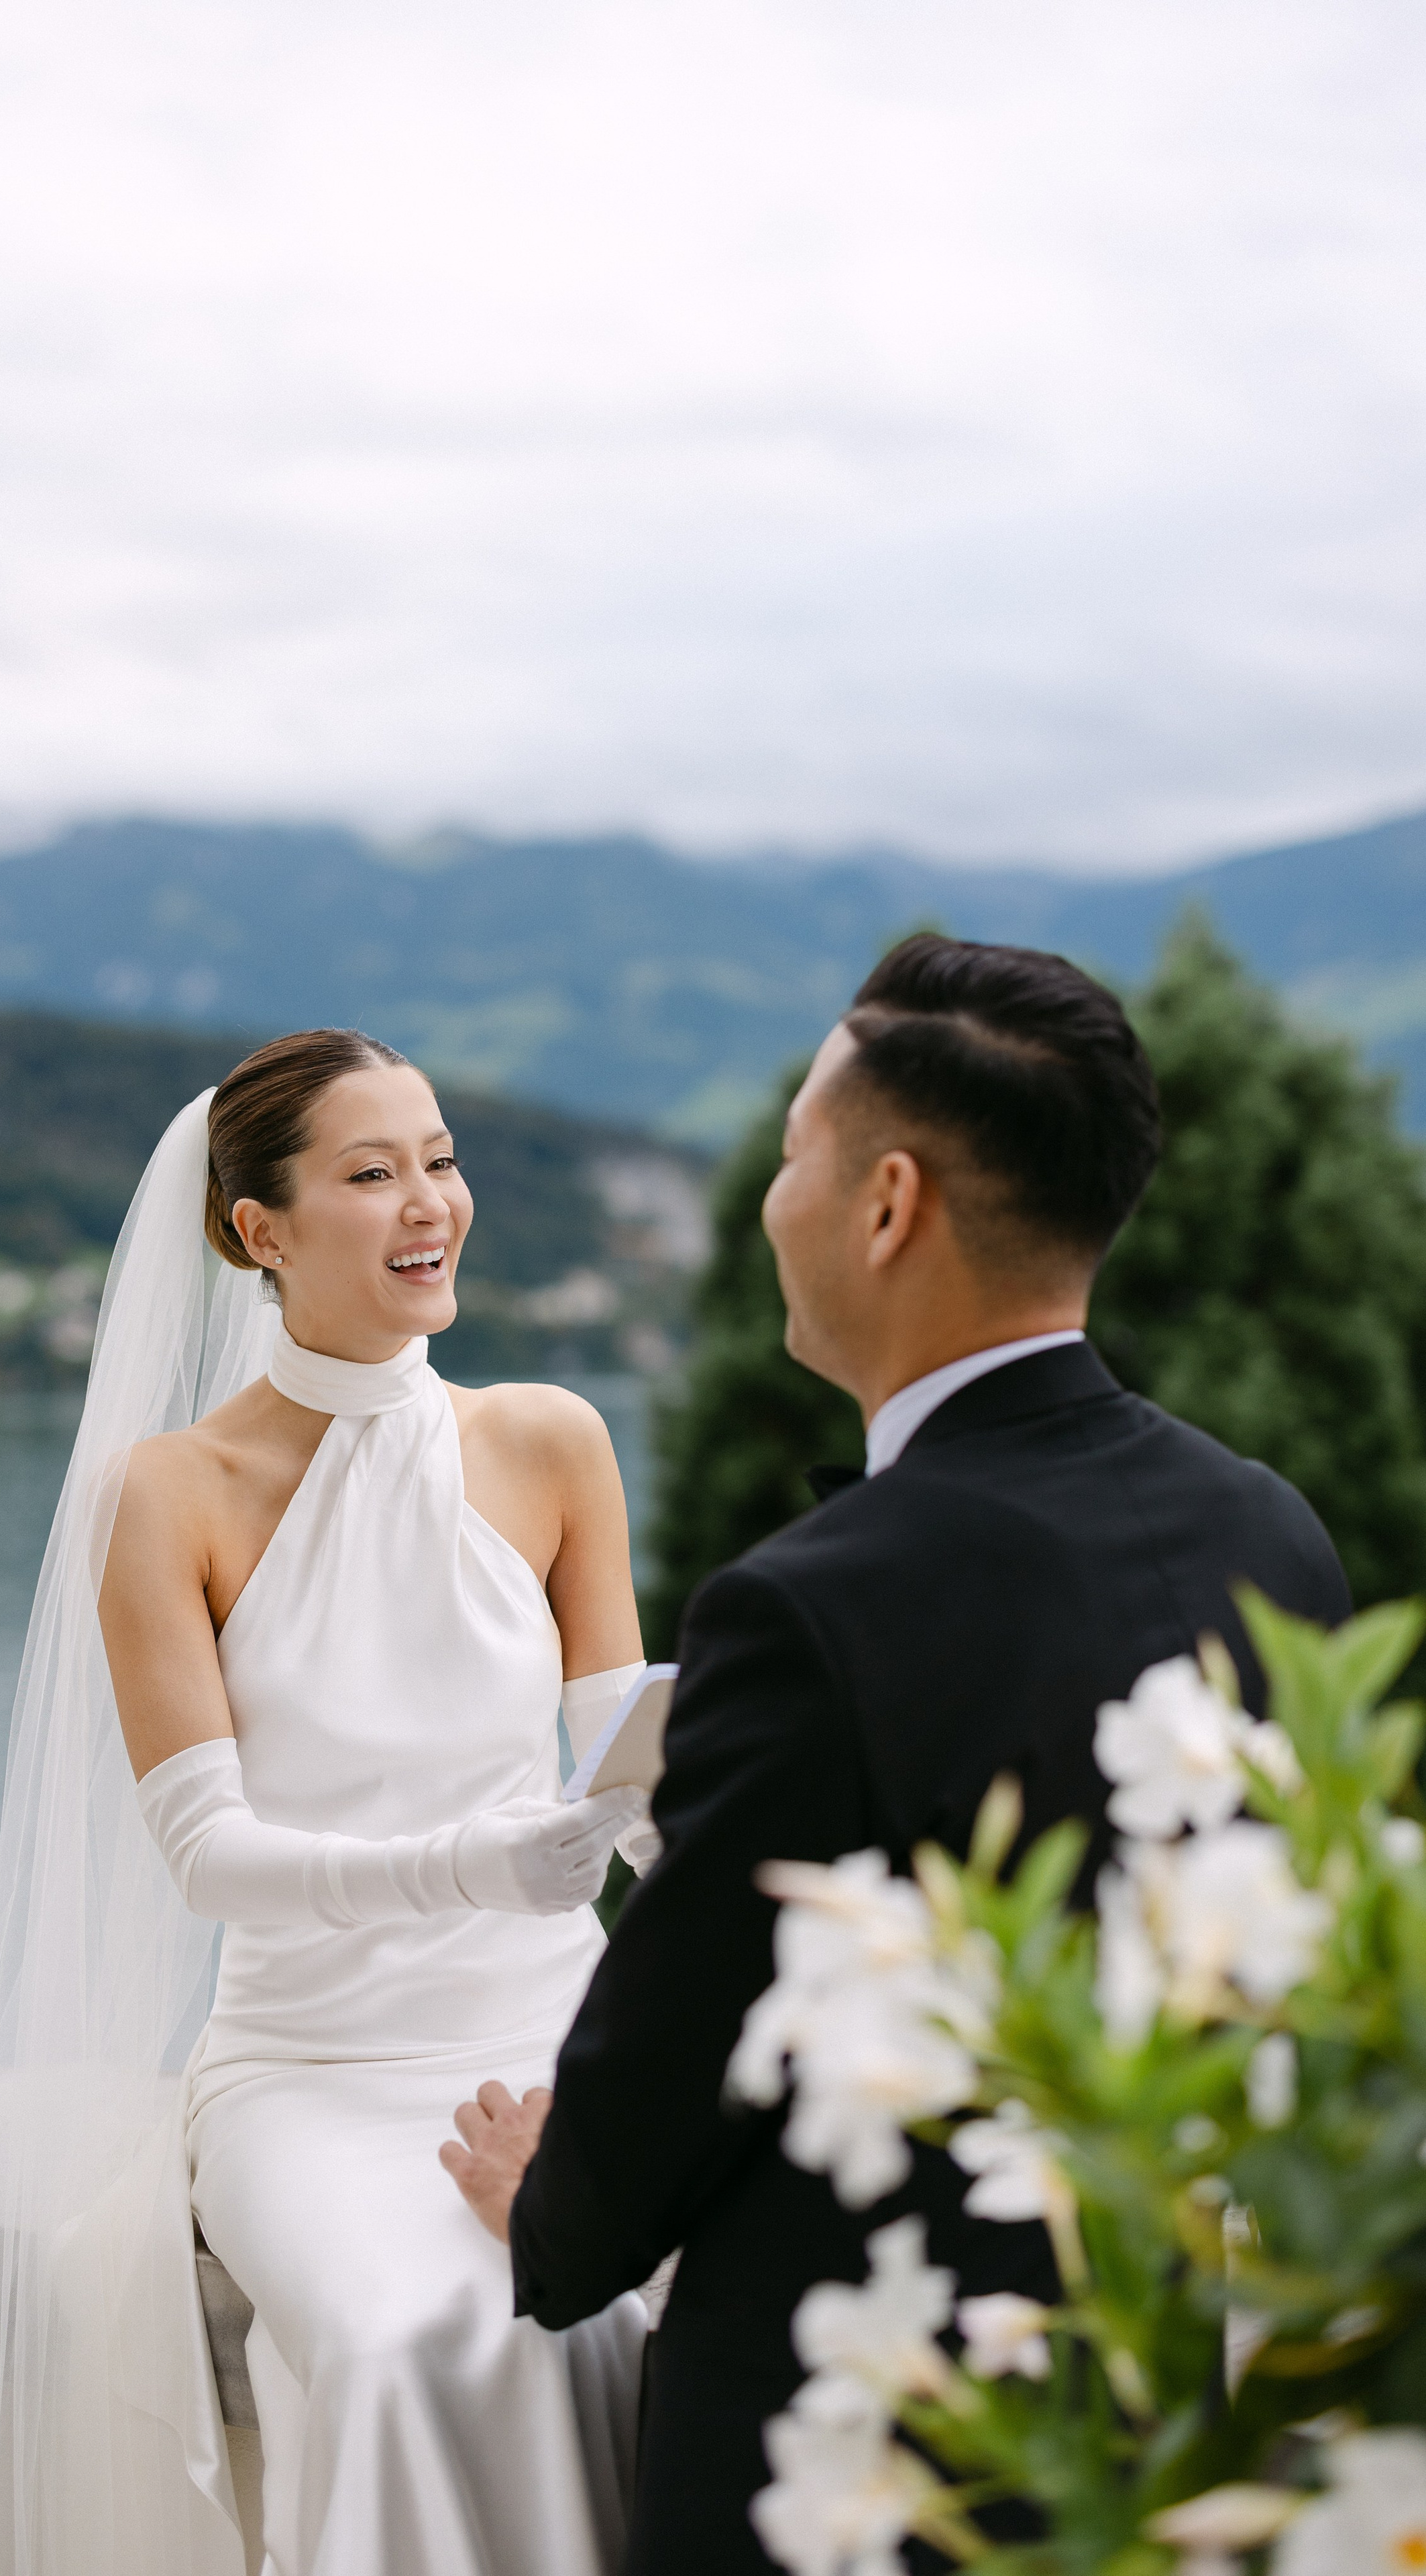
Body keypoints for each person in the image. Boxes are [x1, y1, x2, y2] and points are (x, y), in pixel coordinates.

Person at [439, 934, 1353, 2576]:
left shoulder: (811, 1607)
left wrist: (545, 2212)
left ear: (885, 1204)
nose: (768, 1198)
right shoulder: (1266, 1529)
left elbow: (669, 2057)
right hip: (1158, 2404)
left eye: (792, 1149)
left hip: (867, 2454)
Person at [0, 1029, 652, 2576]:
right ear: (259, 1231)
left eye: (439, 1160)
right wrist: (473, 1862)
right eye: (370, 1174)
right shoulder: (168, 1494)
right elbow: (212, 1857)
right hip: (311, 2072)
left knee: (665, 2315)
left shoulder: (552, 1441)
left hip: (554, 2041)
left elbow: (629, 1777)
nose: (425, 1204)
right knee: (391, 2349)